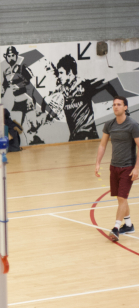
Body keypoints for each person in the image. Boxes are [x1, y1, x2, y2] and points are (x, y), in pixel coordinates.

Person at [95, 96, 139, 241]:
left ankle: (116, 228)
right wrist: (97, 163)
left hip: (128, 167)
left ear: (125, 107)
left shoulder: (133, 125)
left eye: (119, 104)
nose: (116, 107)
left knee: (122, 198)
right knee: (121, 199)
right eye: (114, 104)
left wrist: (137, 168)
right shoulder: (109, 124)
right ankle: (128, 225)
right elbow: (102, 145)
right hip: (114, 167)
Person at [51, 54, 117, 141]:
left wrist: (119, 102)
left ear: (70, 72)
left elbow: (106, 84)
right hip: (74, 137)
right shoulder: (61, 91)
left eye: (61, 73)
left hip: (88, 135)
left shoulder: (85, 86)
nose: (59, 76)